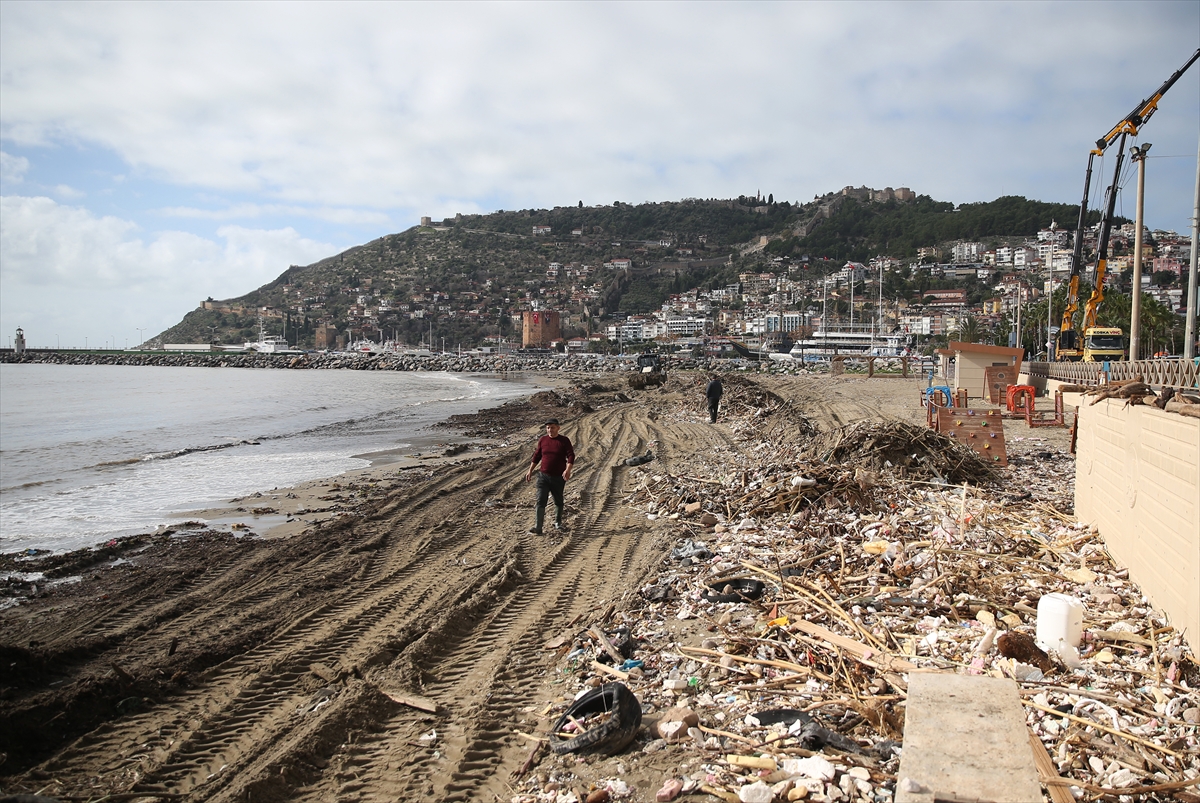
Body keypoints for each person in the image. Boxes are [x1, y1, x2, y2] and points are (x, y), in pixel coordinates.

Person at [525, 418, 574, 534]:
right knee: (540, 499)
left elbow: (571, 456)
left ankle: (558, 523)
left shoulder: (564, 441)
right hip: (543, 476)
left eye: (552, 427)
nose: (550, 430)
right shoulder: (543, 440)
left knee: (558, 500)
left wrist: (568, 470)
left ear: (558, 428)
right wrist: (530, 470)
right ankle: (538, 527)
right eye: (548, 428)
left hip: (558, 477)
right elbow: (537, 456)